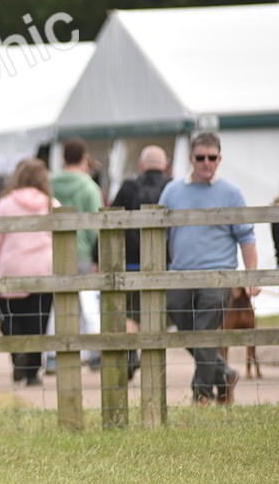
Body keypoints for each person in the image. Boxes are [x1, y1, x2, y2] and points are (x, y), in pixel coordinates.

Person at [160, 132, 258, 405]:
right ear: (191, 158)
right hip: (179, 274)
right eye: (200, 157)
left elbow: (247, 237)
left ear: (219, 158)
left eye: (211, 157)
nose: (206, 162)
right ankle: (225, 373)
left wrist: (252, 274)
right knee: (188, 332)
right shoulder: (172, 191)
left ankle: (201, 394)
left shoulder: (232, 193)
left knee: (203, 332)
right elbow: (159, 235)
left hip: (218, 275)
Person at [0, 158, 55, 386]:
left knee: (11, 317)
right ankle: (33, 372)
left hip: (12, 267)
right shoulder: (51, 204)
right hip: (43, 268)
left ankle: (18, 358)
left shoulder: (6, 204)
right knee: (39, 321)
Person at [109, 146, 172, 378]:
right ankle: (154, 365)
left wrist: (101, 258)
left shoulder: (128, 187)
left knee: (130, 313)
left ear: (140, 164)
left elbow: (110, 221)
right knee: (155, 312)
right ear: (166, 165)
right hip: (164, 264)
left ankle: (131, 354)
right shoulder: (173, 187)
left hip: (130, 263)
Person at [51, 138, 103, 367]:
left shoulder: (49, 183)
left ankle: (53, 355)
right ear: (83, 158)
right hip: (82, 251)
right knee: (88, 302)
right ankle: (95, 351)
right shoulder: (89, 186)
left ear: (63, 157)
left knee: (57, 304)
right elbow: (96, 224)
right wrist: (96, 255)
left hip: (54, 250)